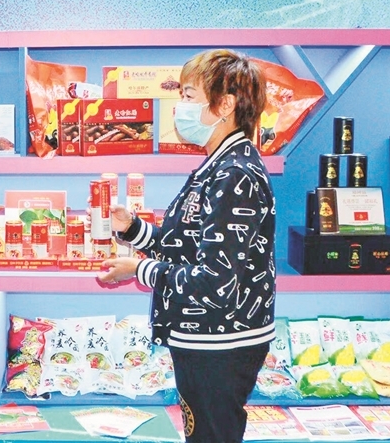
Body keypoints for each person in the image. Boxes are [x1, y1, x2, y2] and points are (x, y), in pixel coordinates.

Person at [96, 49, 276, 443]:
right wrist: (134, 230)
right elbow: (187, 247)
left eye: (190, 96)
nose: (180, 107)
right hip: (206, 337)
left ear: (225, 105)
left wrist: (138, 269)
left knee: (211, 435)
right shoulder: (218, 165)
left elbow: (214, 279)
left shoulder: (234, 175)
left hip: (220, 341)